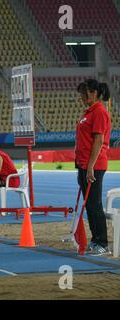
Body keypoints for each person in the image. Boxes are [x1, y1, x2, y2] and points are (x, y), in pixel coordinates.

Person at [75, 79, 111, 256]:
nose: (82, 97)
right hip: (84, 164)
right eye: (81, 94)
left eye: (85, 93)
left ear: (94, 93)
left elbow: (98, 140)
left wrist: (90, 167)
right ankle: (95, 239)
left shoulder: (99, 112)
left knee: (94, 204)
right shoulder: (88, 112)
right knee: (88, 204)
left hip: (94, 165)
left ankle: (103, 242)